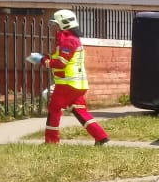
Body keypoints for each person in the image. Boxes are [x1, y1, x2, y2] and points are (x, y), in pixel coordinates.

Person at [25, 9, 109, 145]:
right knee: (80, 111)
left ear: (64, 24)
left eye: (57, 24)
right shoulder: (71, 39)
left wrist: (41, 60)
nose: (55, 27)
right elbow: (59, 58)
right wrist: (44, 57)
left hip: (67, 84)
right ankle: (100, 136)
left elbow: (60, 63)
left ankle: (51, 142)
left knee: (54, 109)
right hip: (78, 85)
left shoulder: (68, 41)